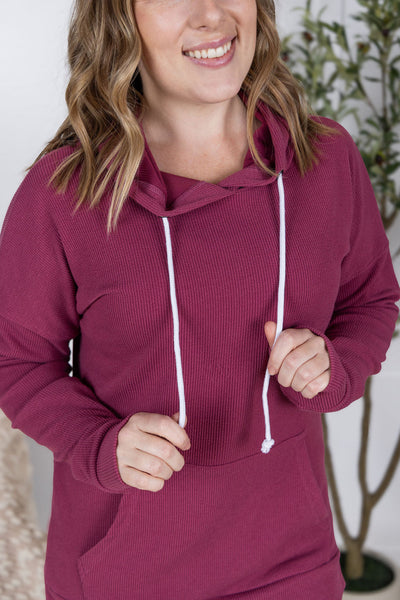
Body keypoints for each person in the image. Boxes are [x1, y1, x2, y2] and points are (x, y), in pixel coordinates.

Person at [0, 0, 399, 598]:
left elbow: (370, 300)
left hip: (292, 560)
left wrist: (335, 367)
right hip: (122, 573)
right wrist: (101, 443)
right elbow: (17, 359)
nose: (211, 15)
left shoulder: (324, 158)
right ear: (119, 20)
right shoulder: (65, 192)